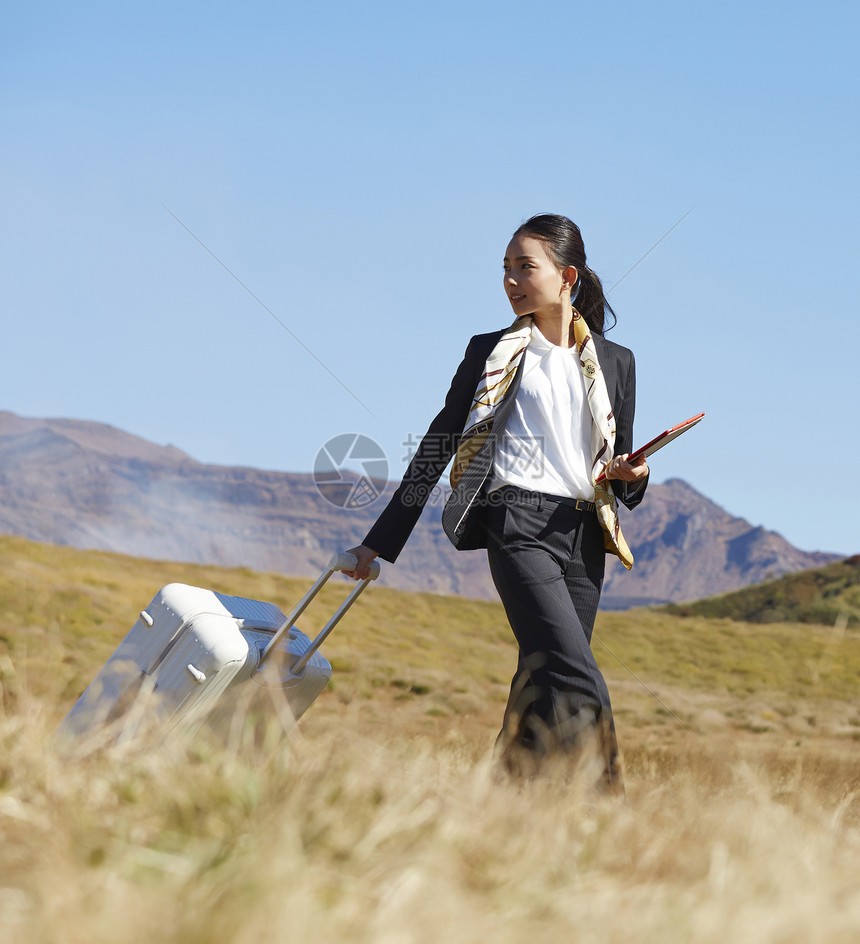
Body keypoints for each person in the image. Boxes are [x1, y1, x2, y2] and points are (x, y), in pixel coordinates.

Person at [345, 214, 649, 790]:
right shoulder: (492, 352)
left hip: (585, 534)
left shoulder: (617, 362)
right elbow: (439, 442)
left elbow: (622, 473)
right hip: (519, 524)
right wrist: (378, 544)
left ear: (567, 276)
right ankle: (612, 808)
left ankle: (500, 805)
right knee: (575, 673)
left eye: (524, 267)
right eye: (506, 269)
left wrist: (633, 472)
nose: (511, 280)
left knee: (540, 681)